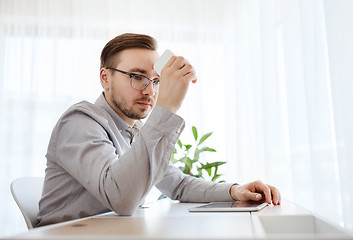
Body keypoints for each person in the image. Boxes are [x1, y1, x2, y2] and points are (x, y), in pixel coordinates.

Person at [36, 33, 281, 227]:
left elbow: (178, 184)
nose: (150, 91)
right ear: (105, 77)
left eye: (155, 80)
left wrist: (234, 190)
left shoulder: (135, 132)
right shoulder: (80, 122)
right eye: (137, 76)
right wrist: (167, 107)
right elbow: (121, 198)